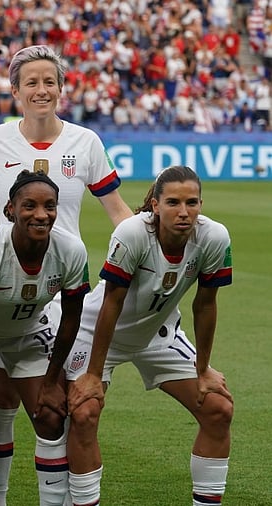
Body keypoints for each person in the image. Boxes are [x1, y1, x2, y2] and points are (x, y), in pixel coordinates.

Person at [0, 44, 132, 505]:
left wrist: (149, 243)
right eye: (32, 82)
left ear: (62, 88)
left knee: (52, 408)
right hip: (2, 289)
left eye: (49, 81)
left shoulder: (85, 142)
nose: (41, 90)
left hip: (61, 296)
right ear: (15, 89)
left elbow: (116, 209)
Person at [65, 165, 233, 506]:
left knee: (218, 408)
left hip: (158, 333)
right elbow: (112, 302)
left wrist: (203, 370)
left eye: (192, 202)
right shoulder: (132, 233)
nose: (183, 212)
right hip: (97, 332)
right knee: (84, 413)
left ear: (201, 204)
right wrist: (94, 375)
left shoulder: (214, 237)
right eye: (172, 202)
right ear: (155, 205)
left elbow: (205, 305)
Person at [0, 170, 90, 505]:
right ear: (10, 210)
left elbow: (71, 317)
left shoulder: (71, 251)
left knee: (52, 417)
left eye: (49, 206)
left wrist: (54, 381)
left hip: (26, 332)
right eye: (30, 206)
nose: (41, 214)